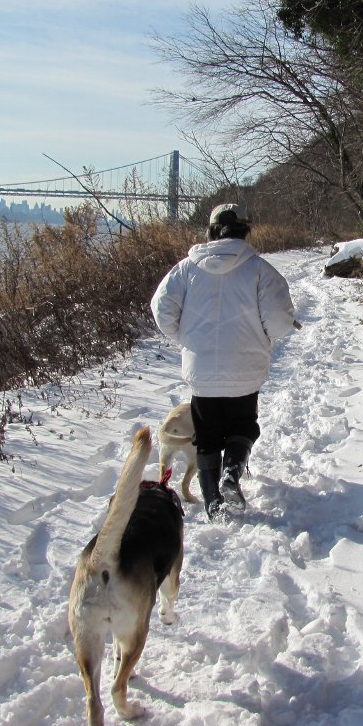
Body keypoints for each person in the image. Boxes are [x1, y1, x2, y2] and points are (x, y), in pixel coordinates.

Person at [150, 203, 296, 520]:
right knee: (243, 424)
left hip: (201, 371)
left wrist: (187, 339)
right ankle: (232, 469)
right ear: (245, 230)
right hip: (246, 368)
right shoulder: (260, 270)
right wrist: (264, 336)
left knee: (207, 437)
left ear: (212, 231)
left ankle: (213, 503)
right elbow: (281, 321)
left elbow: (162, 311)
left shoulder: (185, 270)